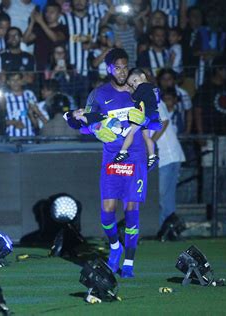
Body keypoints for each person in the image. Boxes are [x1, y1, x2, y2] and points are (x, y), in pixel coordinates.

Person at [65, 48, 160, 278]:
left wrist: (147, 120)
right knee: (107, 213)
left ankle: (128, 262)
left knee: (131, 210)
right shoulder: (98, 94)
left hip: (135, 157)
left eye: (125, 67)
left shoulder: (137, 91)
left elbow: (155, 121)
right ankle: (115, 247)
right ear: (108, 68)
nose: (122, 71)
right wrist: (76, 119)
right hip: (111, 158)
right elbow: (86, 124)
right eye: (117, 67)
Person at [113, 68, 161, 171]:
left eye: (135, 81)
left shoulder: (143, 86)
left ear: (143, 77)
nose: (134, 85)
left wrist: (129, 91)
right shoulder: (154, 88)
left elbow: (134, 97)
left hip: (144, 114)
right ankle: (152, 155)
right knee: (147, 137)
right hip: (153, 114)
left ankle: (123, 152)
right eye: (132, 85)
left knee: (130, 132)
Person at [151, 87, 185, 227]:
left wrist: (150, 143)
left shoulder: (154, 101)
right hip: (167, 156)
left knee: (162, 196)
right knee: (167, 198)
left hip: (168, 155)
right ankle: (168, 230)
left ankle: (164, 229)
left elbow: (164, 122)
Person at [23, 1, 68, 71]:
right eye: (47, 12)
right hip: (40, 68)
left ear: (59, 15)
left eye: (52, 12)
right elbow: (24, 41)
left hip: (56, 68)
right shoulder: (40, 28)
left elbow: (55, 39)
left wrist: (41, 22)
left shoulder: (63, 28)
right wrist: (32, 22)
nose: (48, 14)